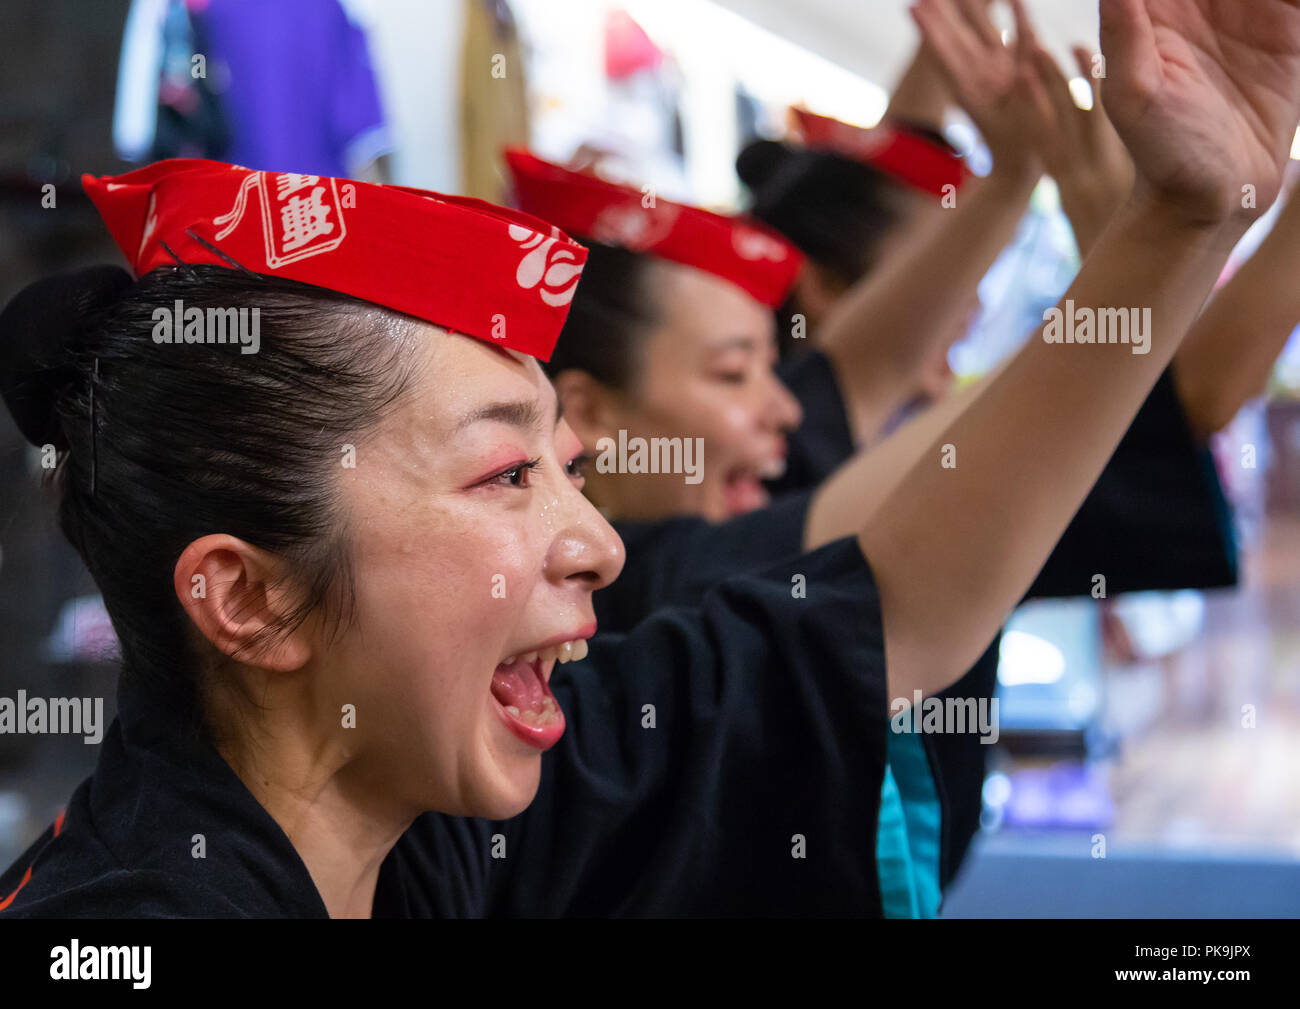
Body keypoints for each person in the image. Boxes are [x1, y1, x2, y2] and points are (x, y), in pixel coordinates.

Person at [3, 0, 1300, 918]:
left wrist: (1191, 216)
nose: (601, 544)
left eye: (563, 469)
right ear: (249, 594)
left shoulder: (433, 823)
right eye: (508, 473)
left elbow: (888, 602)